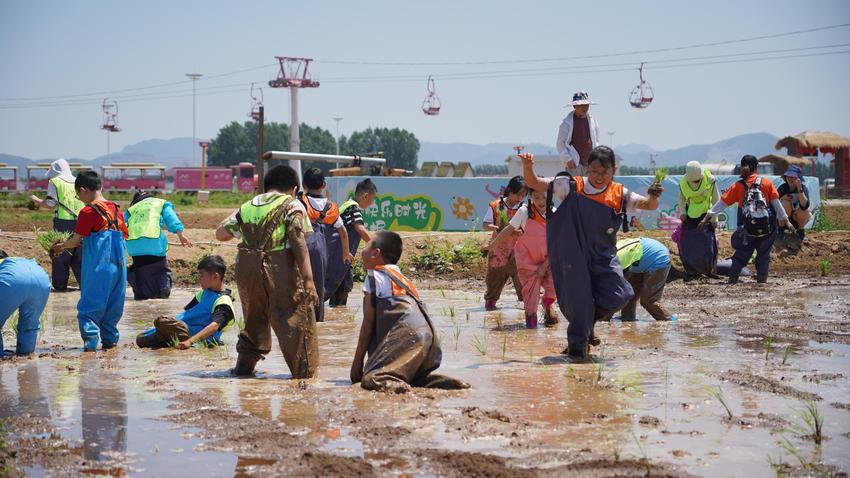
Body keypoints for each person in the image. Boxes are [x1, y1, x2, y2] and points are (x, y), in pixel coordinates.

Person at [522, 146, 664, 360]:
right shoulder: (571, 186)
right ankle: (578, 352)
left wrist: (653, 196)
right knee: (579, 301)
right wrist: (527, 166)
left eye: (604, 172)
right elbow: (534, 183)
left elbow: (649, 205)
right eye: (594, 171)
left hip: (603, 255)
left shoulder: (619, 193)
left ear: (613, 170)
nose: (599, 177)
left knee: (621, 295)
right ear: (587, 169)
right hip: (573, 256)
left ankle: (586, 322)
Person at [216, 165, 319, 378]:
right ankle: (303, 376)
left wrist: (243, 211)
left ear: (266, 187)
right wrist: (308, 279)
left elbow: (220, 234)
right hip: (278, 267)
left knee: (254, 320)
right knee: (293, 320)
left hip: (247, 270)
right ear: (293, 189)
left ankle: (244, 370)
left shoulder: (247, 207)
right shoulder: (292, 205)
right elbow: (297, 239)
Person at [350, 231, 469, 392]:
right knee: (412, 378)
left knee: (372, 379)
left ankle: (401, 390)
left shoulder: (374, 276)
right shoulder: (401, 278)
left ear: (375, 254)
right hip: (428, 338)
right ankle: (447, 384)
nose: (362, 251)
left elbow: (367, 325)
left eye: (365, 246)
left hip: (408, 336)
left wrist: (357, 363)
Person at [51, 170, 128, 351]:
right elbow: (123, 236)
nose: (80, 199)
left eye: (78, 195)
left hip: (99, 268)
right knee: (112, 307)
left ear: (83, 190)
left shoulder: (87, 211)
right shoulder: (117, 210)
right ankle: (110, 345)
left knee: (90, 308)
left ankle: (90, 348)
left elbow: (76, 241)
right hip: (119, 268)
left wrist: (60, 247)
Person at [702, 155, 790, 284]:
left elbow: (722, 203)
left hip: (746, 227)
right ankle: (761, 281)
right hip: (768, 227)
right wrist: (786, 220)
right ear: (757, 166)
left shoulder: (738, 185)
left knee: (742, 254)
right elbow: (777, 204)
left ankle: (733, 279)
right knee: (764, 255)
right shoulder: (766, 183)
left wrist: (708, 215)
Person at [490, 189, 557, 329]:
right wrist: (492, 245)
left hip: (549, 258)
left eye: (544, 197)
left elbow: (558, 243)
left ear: (550, 197)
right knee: (531, 298)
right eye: (536, 197)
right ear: (530, 197)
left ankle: (547, 304)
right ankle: (531, 327)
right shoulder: (524, 212)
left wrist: (545, 266)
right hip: (527, 260)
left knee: (553, 289)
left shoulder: (555, 213)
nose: (540, 201)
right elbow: (509, 229)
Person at [136, 255, 235, 349]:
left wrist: (190, 342)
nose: (199, 279)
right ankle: (166, 338)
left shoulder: (223, 300)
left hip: (199, 336)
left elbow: (214, 326)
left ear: (215, 276)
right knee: (140, 339)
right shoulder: (202, 294)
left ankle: (168, 338)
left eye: (201, 275)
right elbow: (186, 314)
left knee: (161, 322)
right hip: (184, 329)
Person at [299, 168, 354, 322]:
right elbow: (343, 232)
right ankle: (317, 322)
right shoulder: (332, 208)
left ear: (304, 185)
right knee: (318, 289)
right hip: (322, 257)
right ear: (324, 185)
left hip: (301, 253)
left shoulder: (300, 203)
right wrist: (346, 253)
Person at [124, 190, 193, 300]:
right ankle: (162, 294)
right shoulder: (160, 203)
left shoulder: (131, 209)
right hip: (154, 242)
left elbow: (122, 225)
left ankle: (141, 296)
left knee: (140, 272)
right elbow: (171, 217)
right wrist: (180, 234)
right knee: (160, 270)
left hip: (133, 245)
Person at [29, 159, 85, 291]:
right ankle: (85, 286)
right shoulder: (78, 180)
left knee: (60, 254)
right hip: (82, 221)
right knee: (79, 256)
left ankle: (60, 288)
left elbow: (51, 203)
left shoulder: (55, 181)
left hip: (63, 223)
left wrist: (36, 200)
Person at [328, 178, 378, 307]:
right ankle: (338, 314)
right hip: (342, 256)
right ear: (366, 196)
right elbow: (360, 230)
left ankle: (335, 317)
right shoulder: (354, 209)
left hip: (337, 254)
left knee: (338, 287)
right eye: (373, 199)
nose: (372, 203)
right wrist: (376, 245)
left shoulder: (346, 205)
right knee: (344, 287)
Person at [482, 176, 526, 311]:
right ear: (510, 191)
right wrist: (497, 228)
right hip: (498, 249)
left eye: (523, 195)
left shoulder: (524, 208)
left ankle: (528, 307)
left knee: (522, 278)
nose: (520, 198)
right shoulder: (496, 205)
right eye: (518, 194)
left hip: (518, 248)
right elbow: (485, 225)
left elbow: (527, 228)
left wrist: (516, 230)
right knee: (494, 278)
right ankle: (490, 305)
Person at [0, 250, 51, 357]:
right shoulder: (17, 261)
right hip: (41, 277)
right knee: (30, 324)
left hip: (13, 278)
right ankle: (26, 354)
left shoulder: (5, 267)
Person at [677, 160, 720, 280]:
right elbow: (681, 198)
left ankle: (709, 270)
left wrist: (714, 219)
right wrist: (683, 213)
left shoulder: (710, 180)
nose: (695, 183)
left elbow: (716, 200)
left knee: (708, 243)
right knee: (690, 244)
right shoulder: (683, 183)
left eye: (698, 181)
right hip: (691, 216)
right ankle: (693, 271)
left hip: (707, 215)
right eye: (693, 181)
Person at [614, 237, 674, 321]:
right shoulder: (607, 253)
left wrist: (605, 317)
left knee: (649, 301)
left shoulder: (614, 261)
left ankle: (670, 321)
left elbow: (613, 290)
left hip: (658, 258)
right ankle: (628, 318)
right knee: (629, 294)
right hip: (639, 257)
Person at [556, 91, 601, 177]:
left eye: (586, 105)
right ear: (574, 106)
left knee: (589, 189)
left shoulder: (593, 122)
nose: (584, 108)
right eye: (581, 105)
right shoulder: (566, 123)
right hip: (574, 163)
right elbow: (560, 143)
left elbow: (596, 142)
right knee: (574, 188)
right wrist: (567, 159)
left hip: (589, 164)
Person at [777, 165, 810, 241]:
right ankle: (780, 229)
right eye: (788, 176)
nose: (790, 179)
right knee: (785, 203)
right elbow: (774, 204)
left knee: (805, 210)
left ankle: (801, 231)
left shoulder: (803, 188)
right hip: (783, 220)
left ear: (798, 178)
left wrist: (799, 189)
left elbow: (805, 206)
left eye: (793, 177)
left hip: (797, 220)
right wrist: (782, 198)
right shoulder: (782, 188)